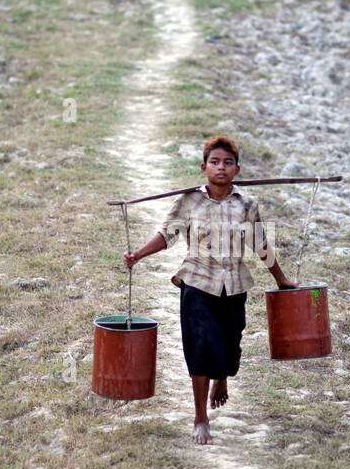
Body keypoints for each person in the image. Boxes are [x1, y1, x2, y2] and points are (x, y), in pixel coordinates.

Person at [124, 135, 298, 444]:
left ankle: (222, 378)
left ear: (237, 169)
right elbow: (167, 235)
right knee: (201, 346)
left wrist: (280, 279)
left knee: (230, 350)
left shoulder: (247, 205)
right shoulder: (189, 200)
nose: (221, 168)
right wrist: (138, 254)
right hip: (197, 283)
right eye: (215, 162)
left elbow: (260, 244)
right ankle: (200, 417)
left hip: (234, 287)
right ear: (204, 167)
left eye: (227, 163)